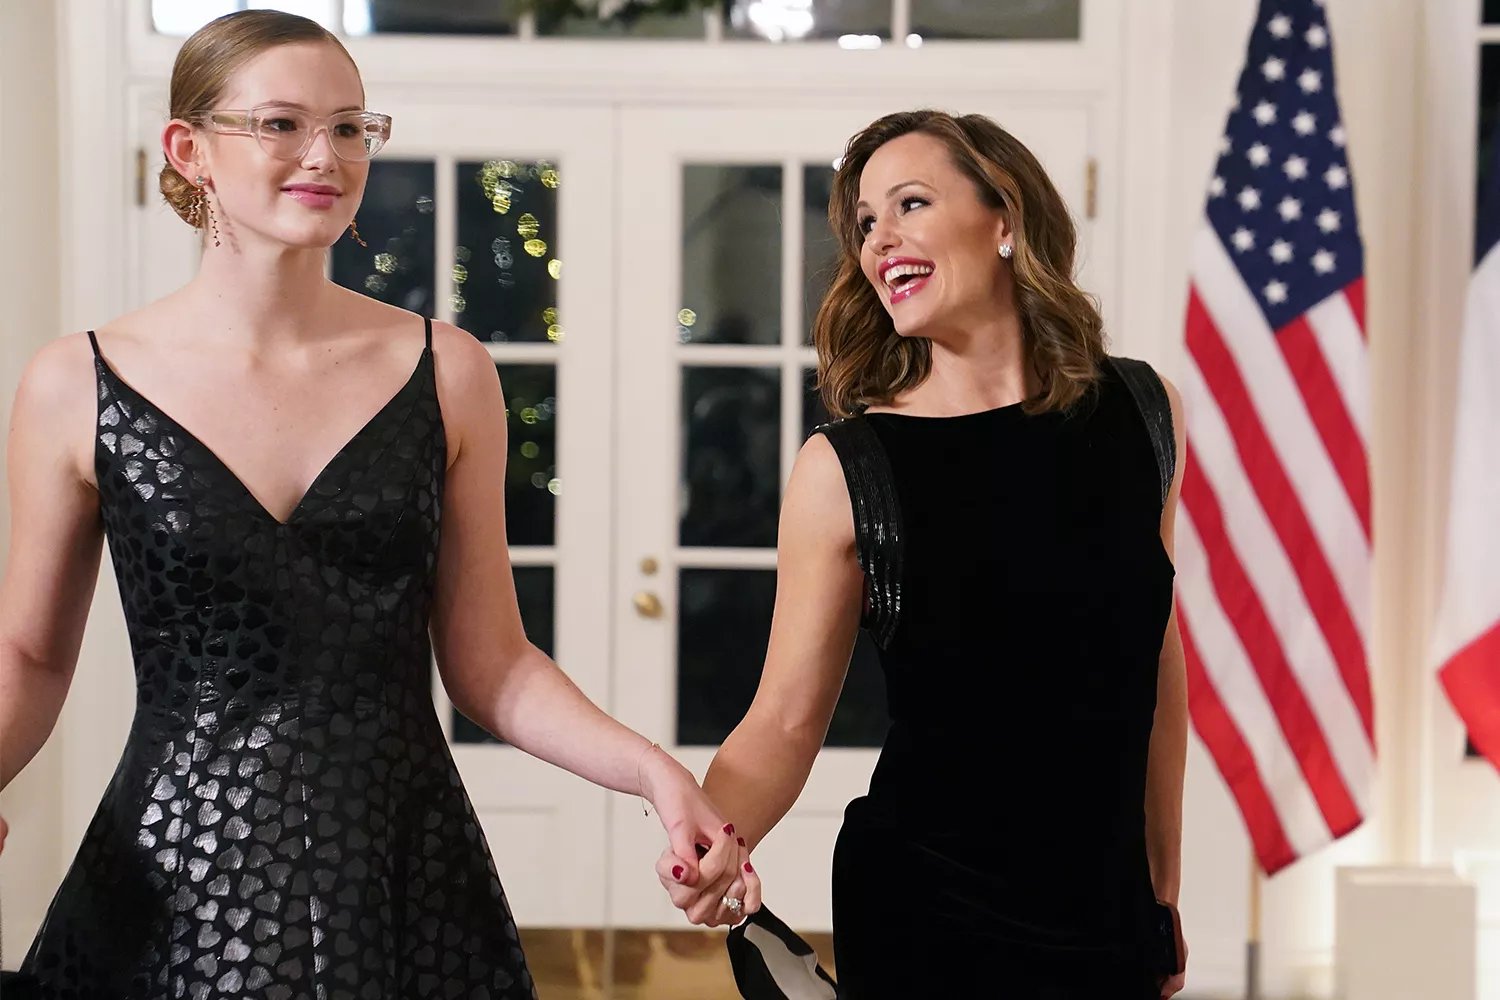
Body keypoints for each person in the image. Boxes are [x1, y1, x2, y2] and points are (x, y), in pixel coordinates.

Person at [0, 10, 753, 997]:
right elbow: (31, 651)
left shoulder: (448, 371)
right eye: (280, 124)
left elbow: (493, 665)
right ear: (189, 150)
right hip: (178, 871)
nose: (325, 154)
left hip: (404, 867)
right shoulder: (77, 381)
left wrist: (656, 773)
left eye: (350, 126)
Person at [658, 109, 1190, 999]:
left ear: (1006, 218)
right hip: (928, 911)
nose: (880, 241)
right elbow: (785, 721)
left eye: (910, 203)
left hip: (1104, 912)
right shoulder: (847, 467)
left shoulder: (1145, 412)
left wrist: (1162, 889)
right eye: (865, 223)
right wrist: (715, 844)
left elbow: (1157, 665)